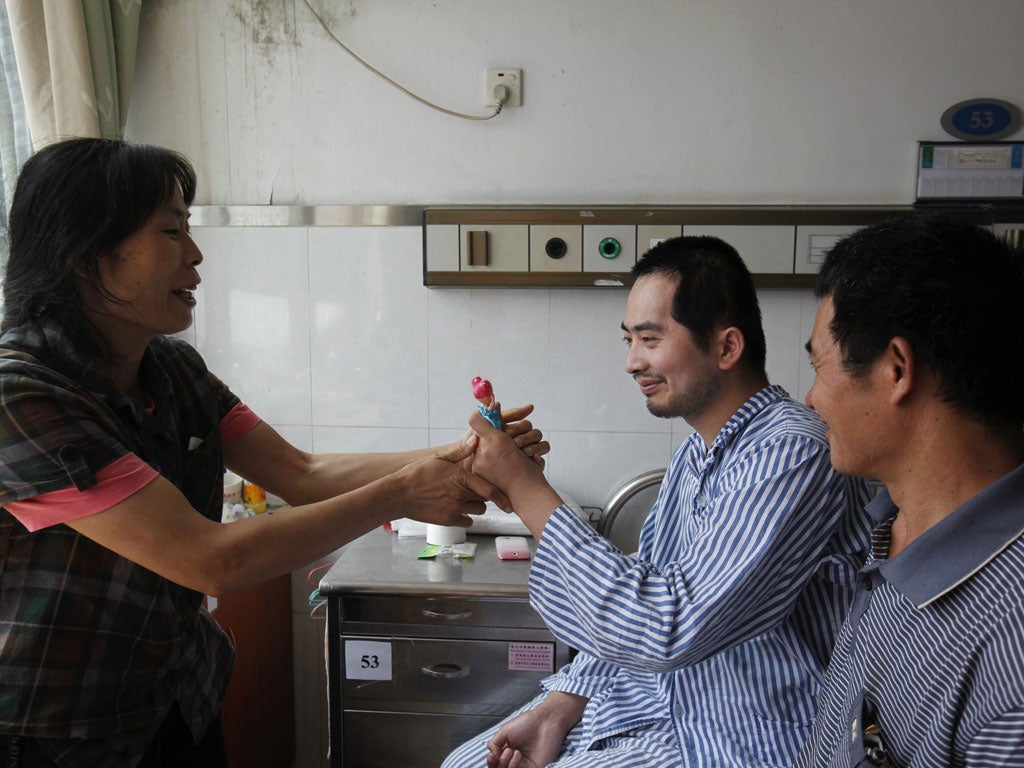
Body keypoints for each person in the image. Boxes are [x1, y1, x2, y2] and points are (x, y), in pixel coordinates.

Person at [0, 137, 548, 768]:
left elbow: (302, 473)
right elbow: (207, 560)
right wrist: (403, 491)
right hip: (60, 730)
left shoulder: (175, 372)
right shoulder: (23, 396)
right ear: (86, 252)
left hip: (177, 699)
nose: (197, 256)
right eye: (172, 232)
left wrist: (467, 456)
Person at [443, 235, 873, 768]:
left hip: (743, 735)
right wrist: (560, 704)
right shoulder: (697, 453)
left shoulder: (793, 453)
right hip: (667, 705)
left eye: (649, 339)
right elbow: (644, 584)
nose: (631, 362)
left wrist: (528, 491)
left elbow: (666, 625)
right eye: (629, 340)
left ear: (726, 347)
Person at [795, 213, 1024, 767]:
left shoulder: (1008, 666)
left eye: (819, 365)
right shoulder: (893, 531)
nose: (810, 400)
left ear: (896, 369)